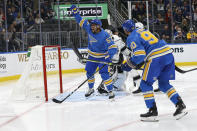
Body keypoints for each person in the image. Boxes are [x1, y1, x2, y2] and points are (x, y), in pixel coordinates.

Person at [121, 19, 187, 121]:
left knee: (145, 84)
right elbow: (148, 49)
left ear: (125, 30)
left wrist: (129, 64)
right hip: (167, 54)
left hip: (156, 58)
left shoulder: (131, 37)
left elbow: (139, 56)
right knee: (164, 84)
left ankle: (152, 111)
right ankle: (180, 105)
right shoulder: (145, 31)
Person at [70, 5, 118, 99]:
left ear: (99, 26)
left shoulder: (105, 35)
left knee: (104, 74)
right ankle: (91, 89)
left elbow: (113, 47)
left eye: (94, 26)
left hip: (103, 57)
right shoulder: (89, 28)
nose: (92, 27)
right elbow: (81, 20)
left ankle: (110, 91)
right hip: (92, 56)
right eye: (91, 25)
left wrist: (109, 55)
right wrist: (75, 13)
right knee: (89, 72)